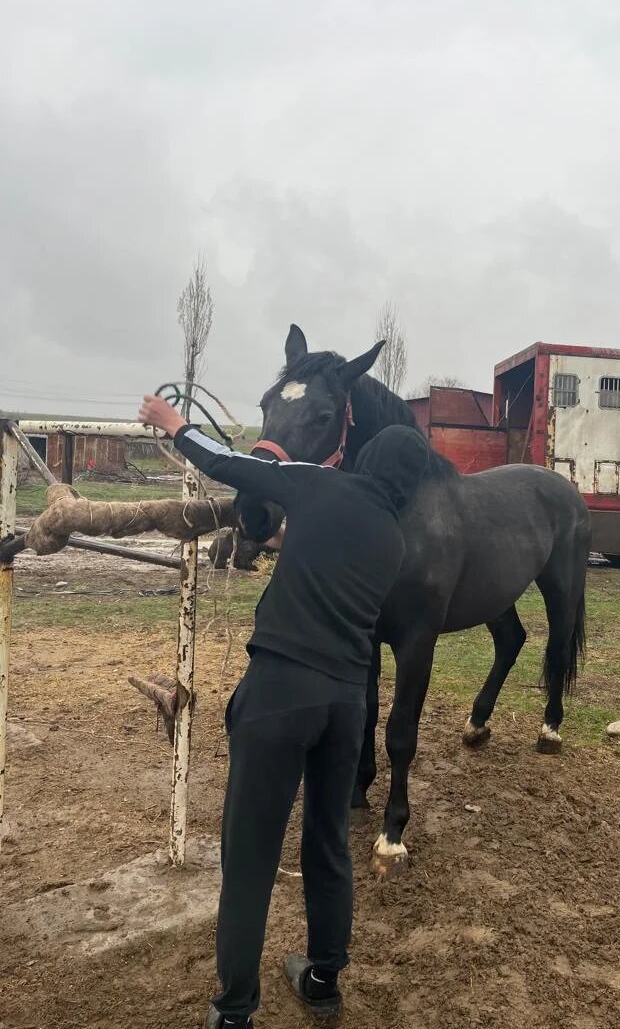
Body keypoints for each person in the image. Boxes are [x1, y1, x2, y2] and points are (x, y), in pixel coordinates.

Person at [138, 395, 428, 1029]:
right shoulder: (393, 542)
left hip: (279, 693)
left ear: (363, 458)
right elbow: (323, 550)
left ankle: (235, 1009)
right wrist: (279, 539)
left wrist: (173, 424)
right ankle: (323, 978)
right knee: (328, 845)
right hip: (345, 705)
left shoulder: (323, 484)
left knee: (250, 856)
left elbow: (233, 464)